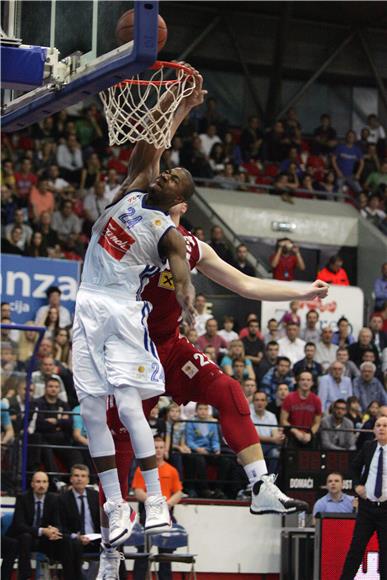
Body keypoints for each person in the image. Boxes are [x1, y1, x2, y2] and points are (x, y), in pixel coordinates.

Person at [73, 65, 202, 549]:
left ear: (178, 200)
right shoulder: (132, 190)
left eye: (174, 178)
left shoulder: (163, 228)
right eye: (168, 171)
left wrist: (187, 300)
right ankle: (114, 505)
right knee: (90, 409)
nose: (166, 174)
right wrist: (182, 105)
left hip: (123, 310)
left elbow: (179, 264)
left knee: (128, 406)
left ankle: (153, 501)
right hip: (87, 304)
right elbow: (153, 139)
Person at [5, 470, 81, 579]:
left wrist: (54, 530)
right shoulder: (22, 498)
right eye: (38, 482)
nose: (41, 485)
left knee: (65, 540)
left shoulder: (54, 499)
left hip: (45, 539)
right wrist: (42, 531)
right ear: (32, 484)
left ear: (48, 484)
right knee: (26, 537)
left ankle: (70, 577)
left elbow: (58, 523)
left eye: (44, 482)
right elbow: (19, 525)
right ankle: (25, 576)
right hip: (23, 537)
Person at [339, 416, 387, 580]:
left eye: (385, 426)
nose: (381, 428)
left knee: (385, 553)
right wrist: (356, 486)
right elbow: (353, 468)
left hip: (386, 510)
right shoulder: (369, 447)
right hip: (367, 508)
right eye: (378, 425)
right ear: (374, 429)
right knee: (356, 549)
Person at [131, 436, 183, 580]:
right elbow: (138, 492)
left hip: (166, 514)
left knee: (165, 555)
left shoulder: (172, 470)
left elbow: (178, 492)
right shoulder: (142, 469)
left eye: (161, 447)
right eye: (155, 447)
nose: (158, 451)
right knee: (142, 553)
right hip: (147, 514)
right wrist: (154, 501)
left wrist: (168, 504)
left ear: (164, 450)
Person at [34, 377, 83, 475]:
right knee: (47, 452)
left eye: (56, 387)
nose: (53, 389)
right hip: (44, 439)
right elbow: (39, 424)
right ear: (45, 388)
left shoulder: (64, 404)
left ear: (59, 389)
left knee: (76, 455)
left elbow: (69, 423)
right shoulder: (37, 403)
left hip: (62, 439)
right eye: (50, 386)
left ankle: (75, 481)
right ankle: (57, 482)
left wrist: (55, 421)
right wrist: (61, 422)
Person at [59, 464, 100, 575]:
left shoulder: (96, 496)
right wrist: (76, 536)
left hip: (96, 539)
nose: (79, 479)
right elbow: (61, 526)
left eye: (83, 476)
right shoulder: (63, 499)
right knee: (71, 543)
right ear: (71, 479)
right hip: (75, 540)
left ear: (87, 480)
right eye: (76, 475)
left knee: (116, 543)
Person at [281, 370, 322, 448]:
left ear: (312, 383)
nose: (305, 382)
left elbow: (317, 422)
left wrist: (310, 434)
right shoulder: (289, 398)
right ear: (298, 382)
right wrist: (296, 432)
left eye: (308, 380)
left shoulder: (316, 400)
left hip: (309, 437)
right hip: (292, 436)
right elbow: (283, 420)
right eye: (302, 380)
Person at [250, 391, 285, 474]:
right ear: (253, 402)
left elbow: (275, 434)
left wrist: (279, 437)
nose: (260, 403)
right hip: (254, 445)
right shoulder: (248, 415)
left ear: (266, 402)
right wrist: (273, 439)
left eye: (262, 400)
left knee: (276, 454)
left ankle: (269, 481)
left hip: (269, 446)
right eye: (257, 400)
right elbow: (253, 436)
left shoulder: (271, 416)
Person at [331, 129, 364, 194]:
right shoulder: (340, 147)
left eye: (352, 137)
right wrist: (338, 171)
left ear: (355, 138)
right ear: (346, 137)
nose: (350, 138)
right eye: (349, 136)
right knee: (337, 191)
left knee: (360, 191)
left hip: (351, 176)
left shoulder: (357, 150)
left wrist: (358, 174)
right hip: (340, 174)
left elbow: (362, 163)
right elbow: (333, 159)